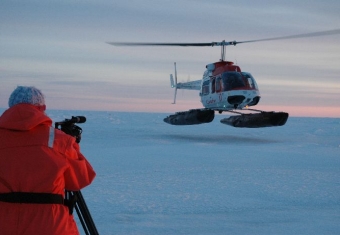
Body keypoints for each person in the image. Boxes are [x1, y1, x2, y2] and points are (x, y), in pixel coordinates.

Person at [0, 86, 96, 235]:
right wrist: (73, 145)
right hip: (50, 224)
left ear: (11, 107)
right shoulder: (57, 139)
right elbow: (81, 179)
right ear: (42, 107)